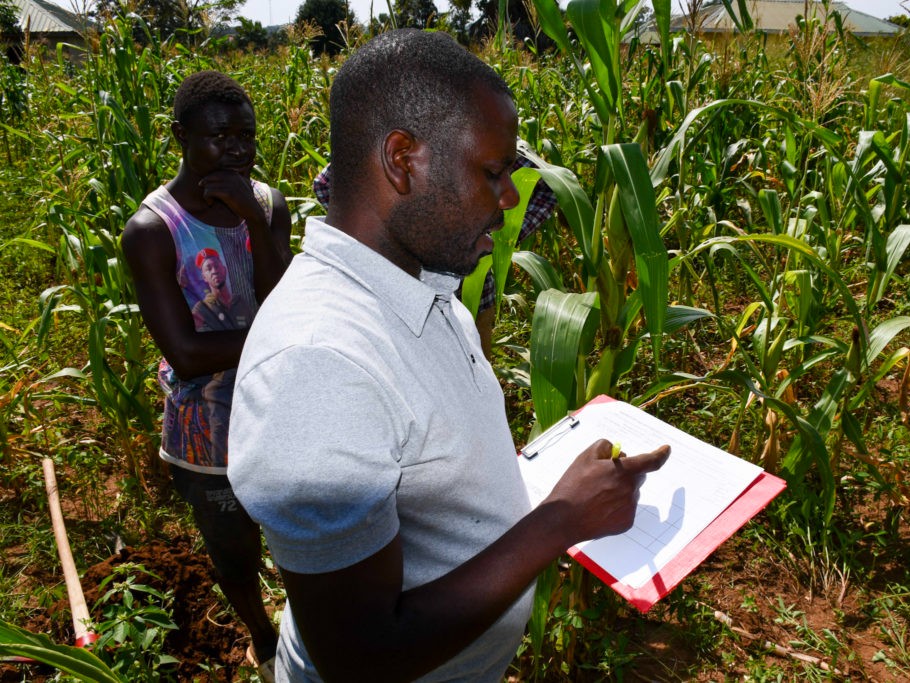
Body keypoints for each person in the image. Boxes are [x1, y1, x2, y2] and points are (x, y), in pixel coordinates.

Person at [228, 29, 669, 683]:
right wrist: (560, 520)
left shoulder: (424, 283)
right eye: (493, 173)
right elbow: (361, 654)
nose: (512, 199)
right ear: (403, 160)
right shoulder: (319, 363)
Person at [121, 70, 293, 682]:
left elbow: (283, 295)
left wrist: (250, 217)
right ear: (180, 138)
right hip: (204, 424)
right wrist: (279, 336)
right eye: (221, 137)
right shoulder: (152, 231)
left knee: (299, 526)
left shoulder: (268, 205)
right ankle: (263, 637)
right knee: (235, 548)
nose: (239, 149)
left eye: (247, 135)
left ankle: (307, 628)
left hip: (277, 403)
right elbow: (187, 354)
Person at [311, 154, 557, 358]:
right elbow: (325, 185)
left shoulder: (480, 132)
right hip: (405, 292)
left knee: (473, 373)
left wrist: (494, 241)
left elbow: (548, 186)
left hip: (473, 289)